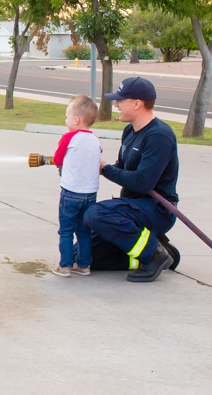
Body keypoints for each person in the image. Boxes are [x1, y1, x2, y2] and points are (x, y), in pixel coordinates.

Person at [85, 76, 179, 282]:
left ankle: (154, 255)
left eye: (120, 100)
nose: (116, 104)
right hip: (131, 207)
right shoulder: (130, 131)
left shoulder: (159, 136)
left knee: (96, 214)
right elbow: (123, 169)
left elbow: (142, 182)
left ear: (137, 104)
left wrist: (106, 169)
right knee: (82, 256)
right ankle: (155, 247)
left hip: (156, 209)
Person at [51, 95, 103, 277]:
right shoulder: (96, 140)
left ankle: (65, 266)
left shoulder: (69, 137)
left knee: (65, 231)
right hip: (90, 194)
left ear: (76, 119)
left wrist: (62, 165)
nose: (66, 120)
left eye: (67, 116)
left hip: (70, 193)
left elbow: (57, 159)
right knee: (84, 232)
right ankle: (84, 265)